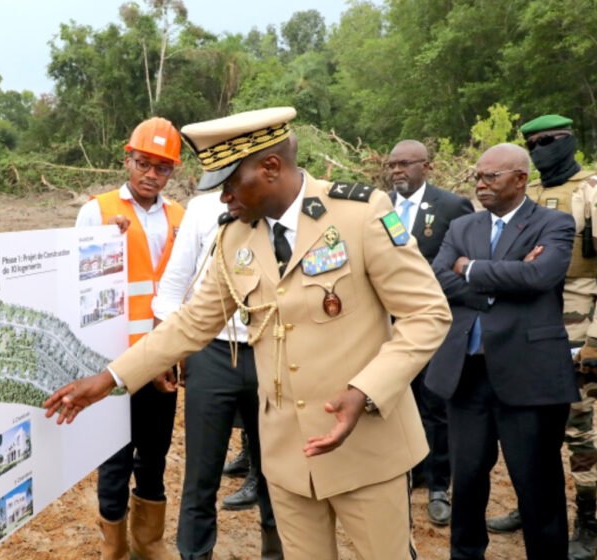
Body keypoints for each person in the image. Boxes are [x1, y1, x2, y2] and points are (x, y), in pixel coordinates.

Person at [47, 106, 453, 559]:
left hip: (366, 446)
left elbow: (427, 314)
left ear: (271, 168)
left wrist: (366, 389)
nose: (223, 201)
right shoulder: (235, 237)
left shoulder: (361, 214)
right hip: (287, 456)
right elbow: (191, 322)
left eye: (228, 185)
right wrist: (109, 379)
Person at [425, 143, 578, 559]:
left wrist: (470, 269)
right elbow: (438, 277)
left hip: (528, 375)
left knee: (537, 484)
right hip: (467, 376)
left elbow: (540, 275)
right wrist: (500, 285)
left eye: (491, 176)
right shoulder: (463, 227)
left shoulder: (555, 222)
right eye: (478, 176)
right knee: (469, 480)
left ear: (520, 179)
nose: (480, 183)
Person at [486, 115, 597, 560]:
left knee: (576, 428)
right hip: (526, 328)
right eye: (531, 144)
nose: (540, 150)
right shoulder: (527, 192)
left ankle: (587, 521)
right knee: (529, 429)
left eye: (549, 141)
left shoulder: (594, 191)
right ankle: (531, 505)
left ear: (569, 141)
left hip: (575, 329)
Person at [75, 116, 184, 560]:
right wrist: (105, 243)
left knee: (154, 454)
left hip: (161, 360)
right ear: (128, 159)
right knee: (115, 458)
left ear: (172, 172)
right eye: (144, 163)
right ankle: (114, 546)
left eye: (162, 168)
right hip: (111, 363)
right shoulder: (97, 211)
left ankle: (149, 541)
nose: (151, 175)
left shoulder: (181, 216)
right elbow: (77, 282)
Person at [151, 190, 282, 559]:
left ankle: (277, 551)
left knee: (276, 469)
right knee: (201, 472)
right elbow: (175, 283)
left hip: (272, 349)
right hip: (212, 352)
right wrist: (166, 352)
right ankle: (195, 553)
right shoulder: (204, 207)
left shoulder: (285, 205)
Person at [386, 139, 474, 526]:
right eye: (392, 165)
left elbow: (458, 264)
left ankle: (439, 484)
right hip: (387, 322)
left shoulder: (453, 207)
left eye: (406, 164)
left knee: (435, 404)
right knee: (395, 399)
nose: (397, 171)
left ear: (427, 167)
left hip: (434, 320)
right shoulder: (379, 205)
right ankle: (409, 471)